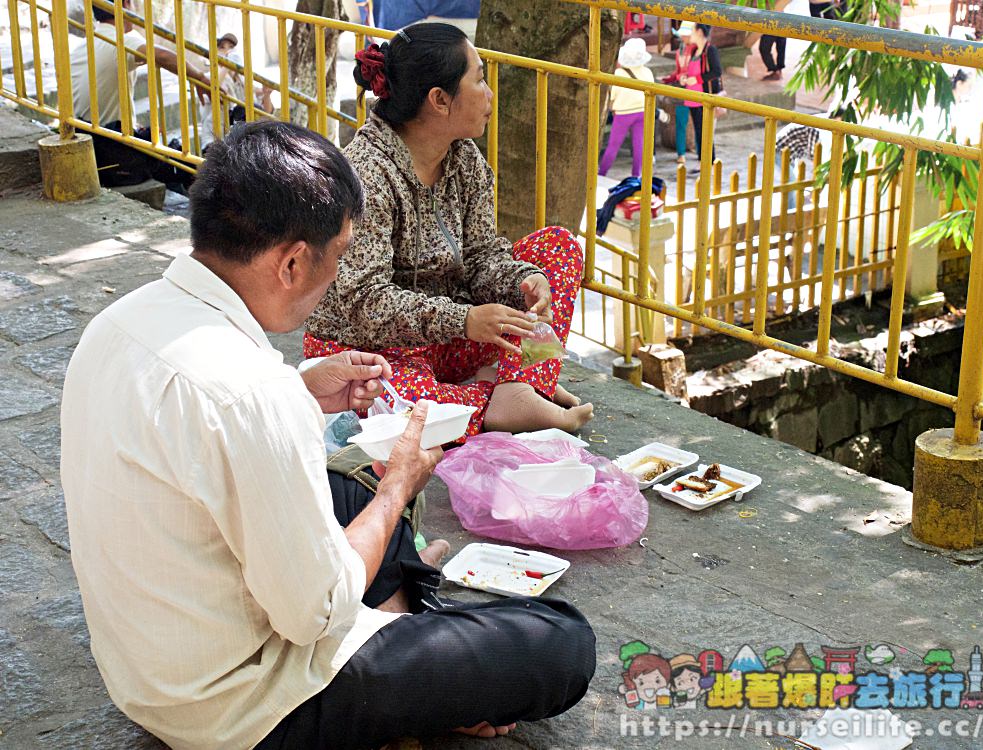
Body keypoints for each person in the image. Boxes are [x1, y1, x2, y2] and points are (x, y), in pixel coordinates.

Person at [61, 120, 596, 750]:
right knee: (560, 641)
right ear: (292, 261)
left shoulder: (121, 321)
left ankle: (400, 617)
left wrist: (303, 387)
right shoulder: (249, 392)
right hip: (243, 706)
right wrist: (398, 487)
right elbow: (312, 614)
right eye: (339, 254)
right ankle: (403, 644)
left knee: (348, 491)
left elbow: (211, 433)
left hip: (148, 672)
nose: (339, 270)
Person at [304, 23, 595, 438]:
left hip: (448, 338)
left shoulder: (465, 159)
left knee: (558, 248)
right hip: (373, 350)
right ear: (440, 100)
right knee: (407, 409)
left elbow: (480, 256)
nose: (489, 94)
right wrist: (464, 320)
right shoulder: (365, 175)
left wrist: (522, 280)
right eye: (478, 79)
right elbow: (366, 304)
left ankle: (517, 388)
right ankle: (503, 394)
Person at [69, 0, 210, 188]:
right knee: (185, 164)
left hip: (87, 143)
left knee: (168, 157)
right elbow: (164, 56)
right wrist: (200, 77)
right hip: (110, 150)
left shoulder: (84, 46)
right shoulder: (118, 40)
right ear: (125, 5)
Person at [598, 37, 662, 177]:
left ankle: (602, 173)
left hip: (623, 113)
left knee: (613, 145)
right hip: (642, 111)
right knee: (639, 145)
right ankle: (636, 176)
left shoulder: (619, 74)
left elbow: (612, 96)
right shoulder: (647, 73)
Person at [677, 23, 721, 169]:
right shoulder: (695, 50)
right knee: (698, 131)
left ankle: (710, 162)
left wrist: (697, 79)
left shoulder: (710, 50)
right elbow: (691, 71)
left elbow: (716, 72)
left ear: (700, 32)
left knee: (705, 131)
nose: (690, 34)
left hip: (704, 97)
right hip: (692, 96)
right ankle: (702, 161)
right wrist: (684, 77)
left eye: (692, 31)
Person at [661, 21, 695, 166]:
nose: (682, 37)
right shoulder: (680, 50)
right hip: (683, 91)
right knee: (681, 123)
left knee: (699, 123)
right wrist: (671, 78)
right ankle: (681, 153)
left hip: (696, 90)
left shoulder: (698, 51)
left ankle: (702, 152)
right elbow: (678, 71)